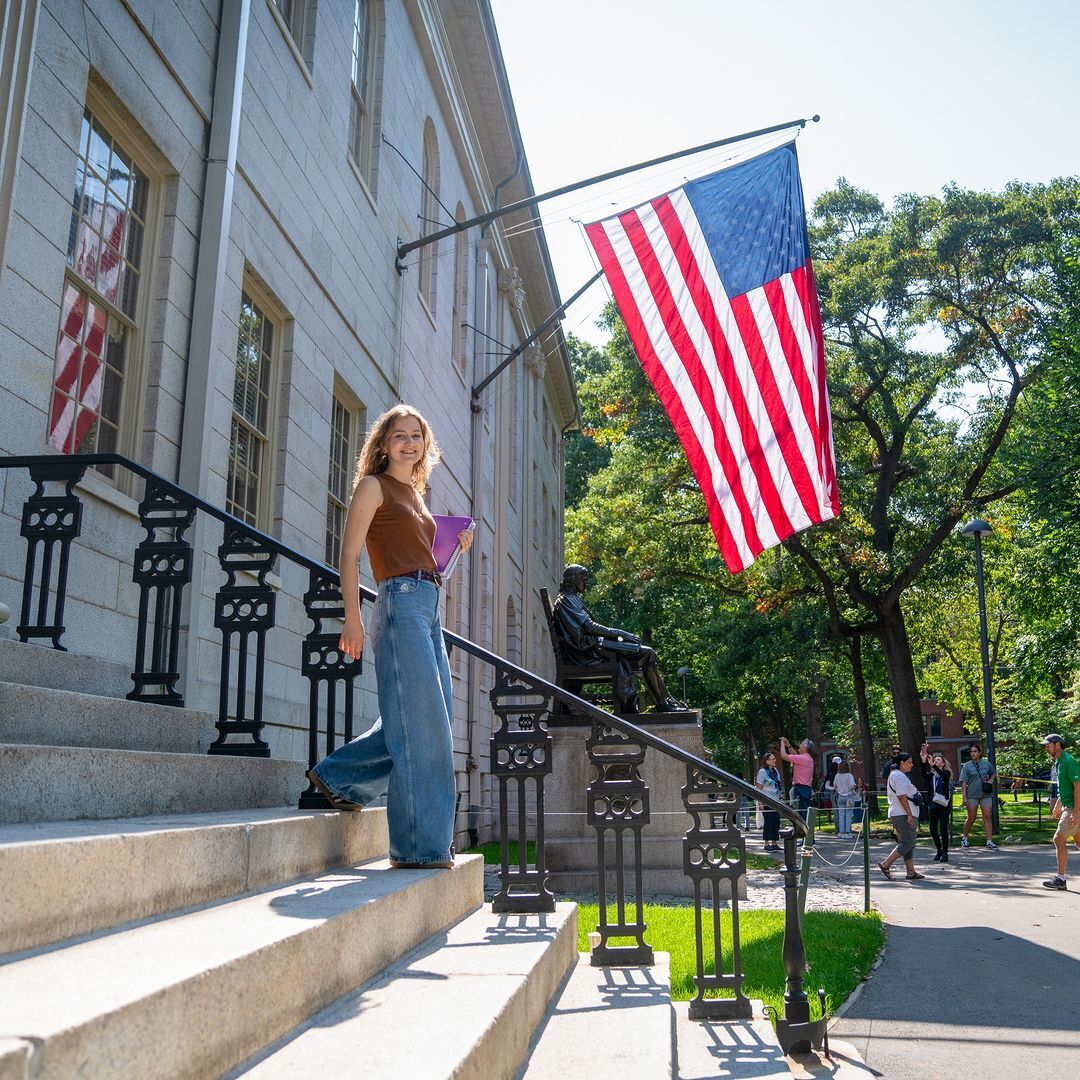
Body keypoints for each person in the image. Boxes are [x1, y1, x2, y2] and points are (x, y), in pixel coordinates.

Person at [305, 405, 473, 870]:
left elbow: (421, 559)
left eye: (416, 436)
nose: (409, 443)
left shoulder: (415, 494)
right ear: (383, 444)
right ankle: (420, 848)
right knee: (426, 725)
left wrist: (452, 548)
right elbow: (350, 553)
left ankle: (340, 778)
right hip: (397, 601)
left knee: (425, 717)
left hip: (427, 603)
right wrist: (352, 618)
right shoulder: (373, 486)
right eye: (399, 435)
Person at [550, 564, 687, 713]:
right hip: (585, 654)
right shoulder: (566, 600)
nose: (586, 582)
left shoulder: (571, 599)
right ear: (572, 580)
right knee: (647, 653)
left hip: (590, 649)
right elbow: (590, 627)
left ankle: (665, 701)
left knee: (645, 653)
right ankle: (662, 703)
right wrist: (621, 633)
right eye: (583, 579)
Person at [1042, 734, 1080, 890]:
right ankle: (1060, 878)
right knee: (1078, 841)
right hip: (1068, 805)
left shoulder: (1068, 761)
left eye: (1048, 744)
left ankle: (1060, 879)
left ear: (1057, 745)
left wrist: (1076, 811)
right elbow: (1065, 787)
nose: (1046, 747)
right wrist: (1058, 804)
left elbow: (1078, 785)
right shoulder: (1058, 762)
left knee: (1058, 839)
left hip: (1074, 806)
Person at [878, 752, 925, 881]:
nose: (911, 765)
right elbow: (901, 796)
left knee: (907, 842)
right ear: (902, 763)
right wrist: (909, 814)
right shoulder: (899, 776)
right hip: (903, 814)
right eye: (909, 762)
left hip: (899, 813)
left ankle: (911, 871)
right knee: (908, 842)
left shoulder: (895, 775)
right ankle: (886, 864)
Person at [959, 742, 998, 850]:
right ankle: (965, 838)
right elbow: (964, 782)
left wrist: (990, 781)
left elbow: (993, 773)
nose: (973, 753)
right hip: (972, 795)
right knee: (972, 817)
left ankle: (989, 841)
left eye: (975, 751)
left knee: (987, 816)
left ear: (979, 752)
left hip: (985, 794)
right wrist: (964, 796)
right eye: (971, 752)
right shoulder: (967, 766)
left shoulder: (986, 764)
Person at [920, 744, 953, 862]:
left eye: (938, 759)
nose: (935, 761)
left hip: (943, 804)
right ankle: (939, 849)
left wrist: (933, 764)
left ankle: (945, 852)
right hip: (933, 803)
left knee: (943, 827)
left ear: (943, 763)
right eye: (935, 760)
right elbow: (924, 775)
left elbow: (944, 775)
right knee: (933, 828)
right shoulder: (932, 775)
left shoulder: (946, 774)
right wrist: (924, 762)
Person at [779, 736, 815, 818]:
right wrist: (788, 745)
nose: (800, 745)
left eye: (802, 743)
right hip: (806, 789)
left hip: (801, 789)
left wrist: (781, 743)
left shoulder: (802, 758)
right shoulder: (807, 758)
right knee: (803, 812)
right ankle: (803, 829)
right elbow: (795, 755)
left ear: (805, 747)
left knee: (801, 814)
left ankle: (802, 830)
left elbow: (783, 756)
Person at [755, 751, 783, 852]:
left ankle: (774, 843)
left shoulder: (775, 771)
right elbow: (758, 788)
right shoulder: (762, 772)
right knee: (768, 822)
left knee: (776, 821)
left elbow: (778, 785)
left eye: (775, 759)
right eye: (772, 759)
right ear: (767, 761)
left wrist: (780, 796)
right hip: (766, 800)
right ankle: (766, 844)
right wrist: (760, 802)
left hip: (775, 801)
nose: (775, 760)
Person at [833, 759, 858, 838]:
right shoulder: (849, 775)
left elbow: (834, 786)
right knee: (848, 814)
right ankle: (847, 832)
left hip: (840, 796)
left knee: (841, 815)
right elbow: (852, 786)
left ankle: (841, 832)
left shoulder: (837, 776)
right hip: (849, 796)